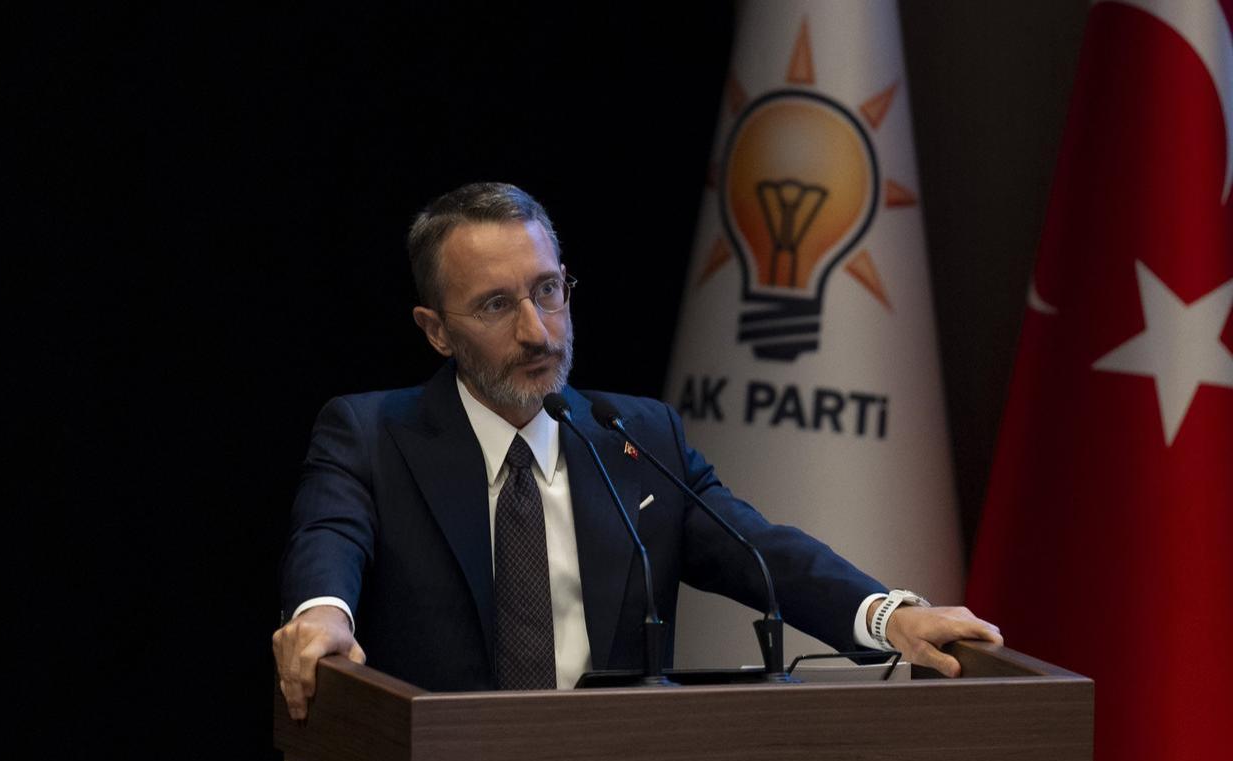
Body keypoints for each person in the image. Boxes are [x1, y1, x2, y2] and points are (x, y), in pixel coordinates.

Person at [273, 182, 1002, 719]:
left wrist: (886, 615)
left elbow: (758, 549)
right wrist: (323, 614)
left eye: (548, 290)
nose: (538, 331)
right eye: (497, 305)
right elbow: (329, 536)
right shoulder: (370, 434)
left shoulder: (637, 437)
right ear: (436, 330)